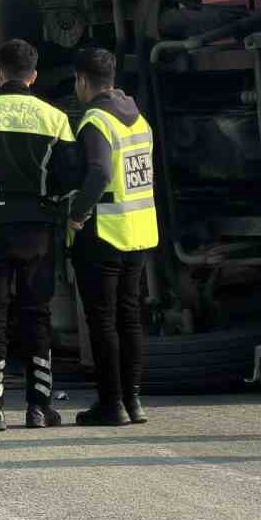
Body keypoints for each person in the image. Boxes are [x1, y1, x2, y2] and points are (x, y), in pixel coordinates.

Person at [0, 38, 78, 432]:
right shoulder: (55, 118)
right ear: (33, 75)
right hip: (39, 230)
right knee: (37, 314)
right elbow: (71, 177)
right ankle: (39, 407)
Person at [67, 47, 159, 426]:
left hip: (104, 232)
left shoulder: (96, 121)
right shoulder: (138, 120)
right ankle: (133, 401)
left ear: (84, 81)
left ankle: (110, 403)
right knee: (130, 318)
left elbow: (101, 173)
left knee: (102, 321)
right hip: (138, 231)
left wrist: (77, 214)